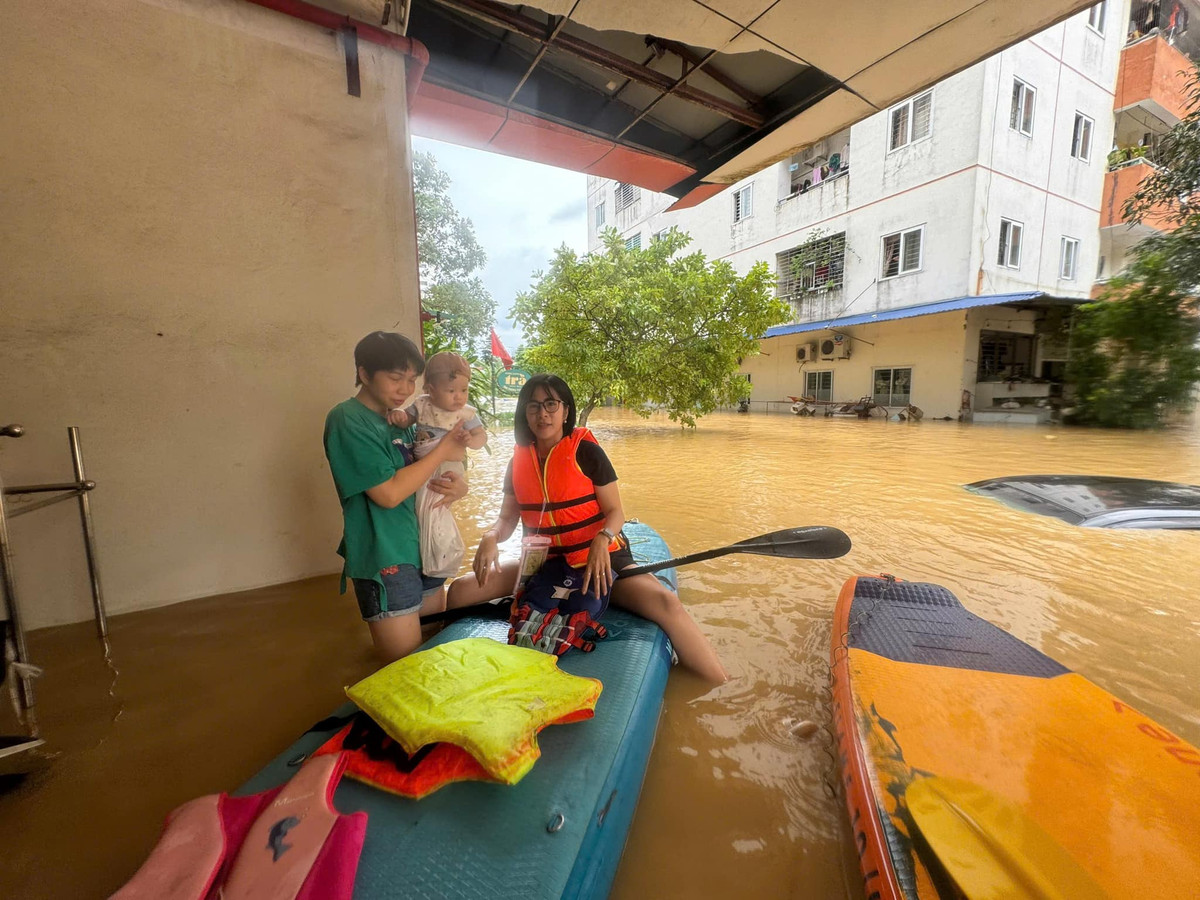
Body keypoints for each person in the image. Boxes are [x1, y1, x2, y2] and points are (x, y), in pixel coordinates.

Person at [447, 374, 729, 683]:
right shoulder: (518, 462)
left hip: (600, 562)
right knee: (461, 591)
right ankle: (445, 672)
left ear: (566, 411)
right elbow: (506, 520)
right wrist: (490, 536)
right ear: (524, 414)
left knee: (666, 603)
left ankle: (718, 685)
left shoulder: (586, 451)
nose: (543, 414)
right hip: (546, 566)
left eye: (551, 404)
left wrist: (602, 538)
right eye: (534, 406)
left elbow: (615, 512)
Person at [323, 332, 471, 663]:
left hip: (426, 546)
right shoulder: (347, 420)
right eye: (395, 378)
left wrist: (459, 488)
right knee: (404, 667)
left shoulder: (403, 421)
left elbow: (429, 473)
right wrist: (444, 449)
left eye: (411, 380)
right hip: (386, 556)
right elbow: (388, 494)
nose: (405, 389)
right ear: (364, 374)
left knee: (433, 653)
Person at [386, 352, 487, 577]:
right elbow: (406, 419)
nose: (459, 397)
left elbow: (481, 437)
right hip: (424, 462)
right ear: (431, 390)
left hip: (448, 466)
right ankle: (433, 554)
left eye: (464, 390)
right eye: (451, 391)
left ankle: (442, 555)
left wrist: (471, 441)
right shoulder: (421, 405)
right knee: (423, 506)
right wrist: (399, 417)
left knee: (435, 507)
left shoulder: (466, 413)